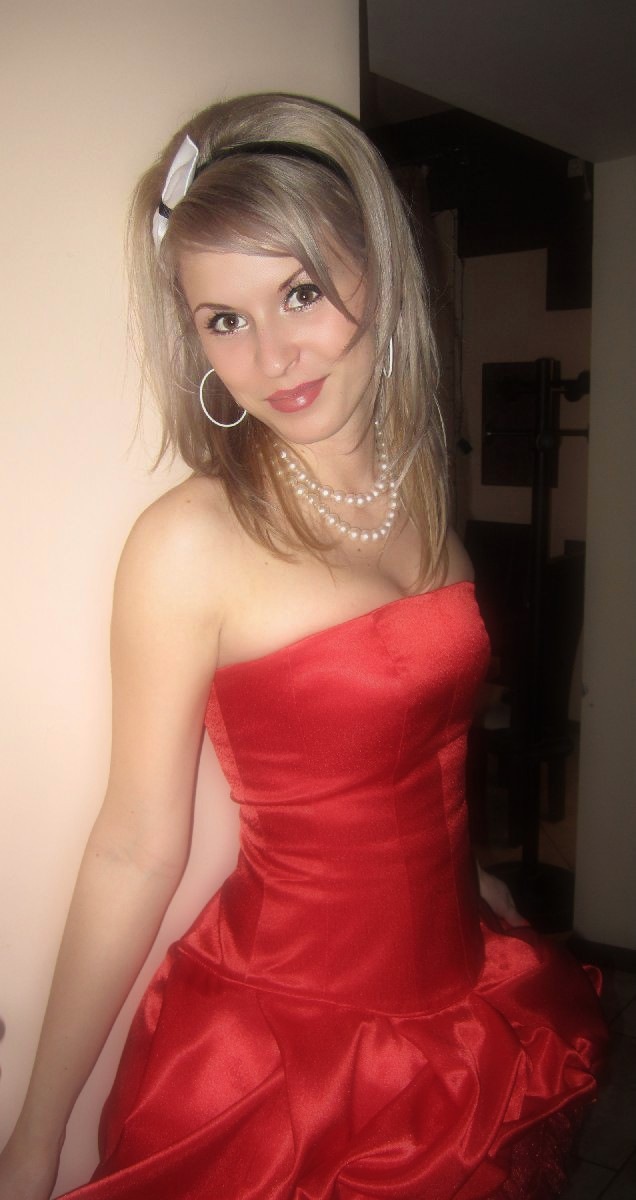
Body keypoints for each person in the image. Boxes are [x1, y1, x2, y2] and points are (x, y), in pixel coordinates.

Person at [0, 93, 605, 1200]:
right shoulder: (190, 543)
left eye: (300, 292)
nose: (271, 355)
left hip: (461, 996)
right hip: (292, 1058)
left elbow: (417, 746)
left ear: (381, 274)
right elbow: (134, 847)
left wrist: (473, 885)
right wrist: (35, 1137)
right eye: (222, 319)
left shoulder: (420, 494)